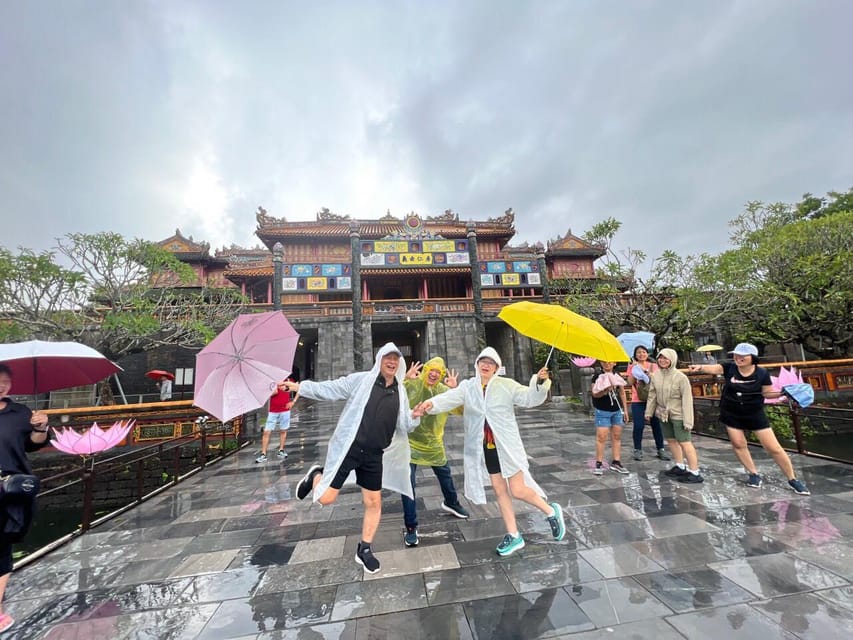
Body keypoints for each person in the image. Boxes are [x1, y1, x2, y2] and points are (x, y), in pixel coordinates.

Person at [414, 347, 566, 557]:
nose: (486, 365)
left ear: (496, 368)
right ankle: (514, 535)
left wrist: (539, 383)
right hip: (487, 447)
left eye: (491, 363)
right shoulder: (469, 387)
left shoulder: (506, 385)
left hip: (506, 446)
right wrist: (429, 404)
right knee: (500, 491)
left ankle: (551, 511)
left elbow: (529, 398)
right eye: (482, 361)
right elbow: (449, 398)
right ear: (477, 364)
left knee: (518, 490)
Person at [285, 343, 421, 574]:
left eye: (395, 358)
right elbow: (331, 389)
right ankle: (316, 474)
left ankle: (364, 549)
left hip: (374, 455)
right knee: (326, 499)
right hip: (349, 448)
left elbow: (404, 424)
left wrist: (415, 415)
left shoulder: (400, 390)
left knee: (374, 503)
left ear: (399, 363)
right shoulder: (362, 381)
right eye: (387, 357)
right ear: (379, 359)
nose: (391, 361)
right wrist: (299, 386)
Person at [689, 343, 810, 495]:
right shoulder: (730, 367)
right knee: (738, 444)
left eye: (742, 356)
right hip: (731, 411)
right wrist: (699, 367)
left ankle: (793, 479)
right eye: (736, 355)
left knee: (774, 448)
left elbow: (766, 393)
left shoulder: (762, 373)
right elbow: (714, 368)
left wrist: (783, 394)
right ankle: (753, 474)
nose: (738, 358)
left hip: (754, 412)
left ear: (752, 358)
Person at [0, 363, 50, 633]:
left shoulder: (21, 412)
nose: (1, 385)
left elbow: (35, 443)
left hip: (12, 490)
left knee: (3, 545)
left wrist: (42, 426)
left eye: (6, 381)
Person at [401, 357, 468, 548]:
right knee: (408, 485)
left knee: (445, 476)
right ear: (425, 370)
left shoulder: (443, 392)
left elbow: (462, 410)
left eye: (438, 372)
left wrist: (455, 391)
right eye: (431, 369)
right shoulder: (412, 385)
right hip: (410, 443)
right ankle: (411, 527)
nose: (434, 374)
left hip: (433, 445)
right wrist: (403, 379)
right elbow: (391, 395)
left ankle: (452, 502)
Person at [645, 349, 703, 483]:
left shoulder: (681, 377)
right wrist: (649, 412)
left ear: (672, 360)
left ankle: (694, 471)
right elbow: (652, 395)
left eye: (666, 358)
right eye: (660, 358)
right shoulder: (656, 375)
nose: (662, 361)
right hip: (663, 414)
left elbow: (687, 400)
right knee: (671, 440)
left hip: (679, 414)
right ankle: (679, 465)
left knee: (684, 442)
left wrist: (688, 421)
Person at [626, 346, 669, 462]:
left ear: (647, 353)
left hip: (653, 400)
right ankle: (637, 449)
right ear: (635, 355)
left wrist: (648, 374)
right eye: (638, 352)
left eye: (643, 352)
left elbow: (659, 380)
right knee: (639, 425)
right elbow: (630, 382)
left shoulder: (654, 366)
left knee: (657, 425)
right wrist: (634, 370)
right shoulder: (632, 366)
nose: (641, 354)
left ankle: (661, 449)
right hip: (637, 400)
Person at [590, 361, 630, 475]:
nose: (607, 364)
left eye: (609, 362)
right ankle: (599, 462)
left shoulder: (617, 375)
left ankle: (616, 461)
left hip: (616, 410)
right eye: (604, 362)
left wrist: (625, 410)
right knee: (601, 436)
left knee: (617, 436)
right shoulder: (597, 376)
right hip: (602, 410)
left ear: (614, 363)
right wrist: (605, 390)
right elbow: (594, 394)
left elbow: (622, 393)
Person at [256, 377, 297, 463]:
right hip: (273, 411)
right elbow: (269, 393)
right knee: (267, 431)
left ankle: (281, 450)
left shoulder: (289, 381)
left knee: (283, 430)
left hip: (285, 410)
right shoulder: (272, 381)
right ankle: (263, 454)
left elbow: (299, 389)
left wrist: (293, 401)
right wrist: (273, 390)